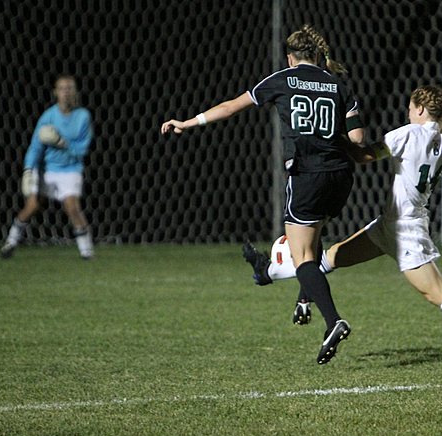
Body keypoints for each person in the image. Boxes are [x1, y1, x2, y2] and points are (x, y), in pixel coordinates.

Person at [243, 85, 442, 364]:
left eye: (410, 108)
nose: (408, 113)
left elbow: (365, 156)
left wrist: (330, 138)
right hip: (390, 225)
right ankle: (267, 271)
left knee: (436, 293)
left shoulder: (407, 134)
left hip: (406, 231)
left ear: (420, 108)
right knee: (330, 258)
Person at [161, 24, 389, 365]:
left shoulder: (283, 78)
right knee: (311, 246)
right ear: (317, 55)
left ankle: (333, 321)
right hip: (341, 176)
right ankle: (298, 295)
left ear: (290, 57)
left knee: (302, 256)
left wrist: (188, 123)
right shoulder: (339, 86)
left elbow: (231, 106)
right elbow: (357, 140)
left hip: (307, 173)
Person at [0, 74, 94, 260]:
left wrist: (61, 142)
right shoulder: (48, 116)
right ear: (55, 93)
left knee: (71, 206)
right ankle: (10, 243)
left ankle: (87, 252)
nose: (66, 92)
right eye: (62, 88)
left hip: (70, 169)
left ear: (75, 92)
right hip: (47, 170)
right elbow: (35, 147)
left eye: (70, 88)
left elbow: (82, 149)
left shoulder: (83, 116)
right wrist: (28, 169)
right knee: (32, 206)